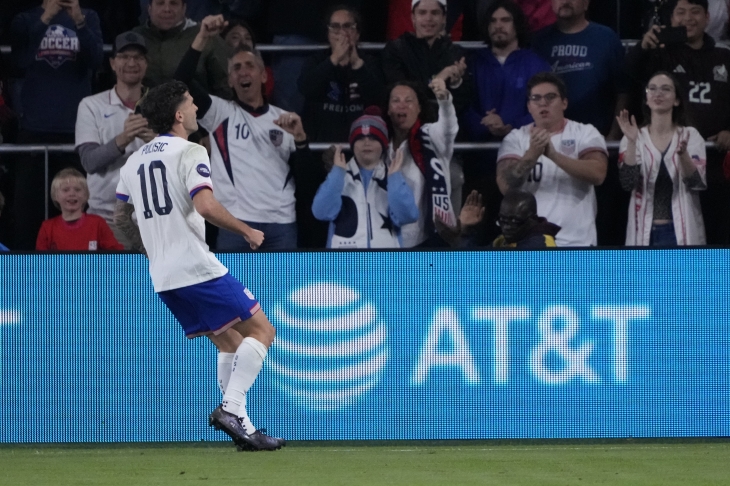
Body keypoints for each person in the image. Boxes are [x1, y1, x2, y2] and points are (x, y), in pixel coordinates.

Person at [113, 80, 284, 451]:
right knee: (263, 331)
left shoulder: (134, 161)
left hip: (163, 275)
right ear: (178, 114)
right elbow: (205, 206)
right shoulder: (189, 151)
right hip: (195, 266)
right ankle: (231, 408)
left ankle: (246, 430)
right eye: (191, 104)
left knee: (229, 342)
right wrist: (247, 230)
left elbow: (121, 215)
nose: (195, 109)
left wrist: (149, 247)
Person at [175, 15, 325, 250]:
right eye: (236, 68)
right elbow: (180, 80)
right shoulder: (219, 113)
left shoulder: (285, 120)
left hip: (281, 224)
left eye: (250, 66)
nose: (243, 72)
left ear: (264, 75)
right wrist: (203, 36)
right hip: (234, 225)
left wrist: (301, 140)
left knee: (282, 288)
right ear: (230, 80)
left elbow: (308, 183)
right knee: (233, 289)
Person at [626, 0, 730, 244]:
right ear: (670, 19)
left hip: (717, 165)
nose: (688, 18)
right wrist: (642, 47)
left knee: (719, 238)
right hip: (672, 169)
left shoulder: (725, 57)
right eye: (680, 12)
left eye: (695, 12)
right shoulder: (659, 55)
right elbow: (626, 75)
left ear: (707, 17)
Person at [10, 0, 103, 249]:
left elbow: (96, 61)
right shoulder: (25, 19)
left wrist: (79, 22)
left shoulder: (88, 16)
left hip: (76, 130)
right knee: (27, 213)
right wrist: (45, 19)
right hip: (34, 128)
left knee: (76, 209)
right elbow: (20, 61)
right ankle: (25, 275)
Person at [496, 72, 608, 247]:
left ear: (564, 102)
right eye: (536, 98)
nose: (543, 103)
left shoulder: (585, 132)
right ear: (529, 106)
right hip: (531, 244)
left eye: (550, 97)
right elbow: (504, 185)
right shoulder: (515, 138)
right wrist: (532, 155)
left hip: (577, 242)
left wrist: (554, 155)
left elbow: (598, 173)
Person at [75, 32, 156, 249]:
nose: (131, 63)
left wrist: (158, 142)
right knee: (108, 283)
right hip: (106, 219)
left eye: (138, 57)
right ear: (112, 63)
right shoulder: (91, 105)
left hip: (154, 219)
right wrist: (123, 138)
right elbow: (90, 162)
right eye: (124, 56)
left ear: (146, 64)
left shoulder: (163, 106)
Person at [616, 72, 706, 246]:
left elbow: (696, 183)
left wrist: (683, 155)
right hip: (645, 232)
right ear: (646, 98)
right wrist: (632, 143)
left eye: (666, 89)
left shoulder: (691, 136)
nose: (658, 94)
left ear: (676, 100)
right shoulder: (634, 136)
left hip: (681, 231)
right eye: (652, 89)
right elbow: (628, 183)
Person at [312, 109, 419, 248]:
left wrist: (395, 179)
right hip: (344, 265)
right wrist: (337, 174)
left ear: (383, 144)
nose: (366, 143)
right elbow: (321, 212)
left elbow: (407, 216)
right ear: (353, 144)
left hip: (385, 264)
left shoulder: (393, 177)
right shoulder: (339, 176)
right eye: (360, 138)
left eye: (373, 138)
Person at [531, 0, 628, 139]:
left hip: (596, 139)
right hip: (548, 139)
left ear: (586, 3)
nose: (565, 1)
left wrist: (613, 136)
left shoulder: (607, 38)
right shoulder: (538, 42)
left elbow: (623, 93)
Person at [463, 0, 551, 143]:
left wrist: (510, 125)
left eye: (505, 20)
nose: (498, 26)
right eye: (493, 21)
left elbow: (546, 107)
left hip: (523, 153)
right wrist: (485, 125)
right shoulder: (472, 64)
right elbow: (464, 107)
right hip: (479, 155)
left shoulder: (537, 65)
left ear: (517, 25)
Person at [386, 78, 458, 248]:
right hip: (385, 241)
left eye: (409, 101)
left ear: (419, 108)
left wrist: (445, 101)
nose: (402, 105)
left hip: (428, 239)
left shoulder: (432, 137)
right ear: (388, 109)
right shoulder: (378, 143)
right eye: (395, 101)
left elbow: (448, 129)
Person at [298, 5, 385, 143]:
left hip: (363, 144)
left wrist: (357, 64)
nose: (342, 33)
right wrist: (334, 60)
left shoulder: (371, 62)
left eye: (348, 26)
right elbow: (306, 88)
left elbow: (378, 97)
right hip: (323, 145)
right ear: (328, 34)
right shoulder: (316, 61)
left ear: (357, 33)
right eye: (335, 27)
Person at [381, 0, 471, 114]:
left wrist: (456, 83)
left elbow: (463, 102)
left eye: (435, 13)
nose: (428, 18)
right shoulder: (395, 51)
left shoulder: (456, 53)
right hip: (408, 123)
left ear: (444, 18)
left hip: (447, 123)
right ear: (413, 17)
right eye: (422, 13)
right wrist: (439, 78)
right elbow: (404, 95)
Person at [133, 0, 229, 98]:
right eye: (160, 3)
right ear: (149, 8)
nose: (167, 9)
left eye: (174, 3)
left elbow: (225, 85)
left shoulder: (206, 36)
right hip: (142, 111)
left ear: (184, 8)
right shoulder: (134, 38)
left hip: (197, 110)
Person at [437, 188, 561, 247]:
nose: (506, 227)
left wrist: (458, 241)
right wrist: (464, 232)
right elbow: (478, 259)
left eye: (514, 221)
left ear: (533, 219)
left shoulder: (540, 245)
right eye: (503, 220)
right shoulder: (505, 239)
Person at [36, 168, 123, 251]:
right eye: (66, 190)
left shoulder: (98, 223)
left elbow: (117, 257)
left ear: (86, 195)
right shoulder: (47, 228)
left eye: (77, 190)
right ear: (55, 195)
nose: (72, 194)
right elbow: (40, 263)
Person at [220, 19, 274, 98]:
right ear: (222, 42)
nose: (243, 42)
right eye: (235, 37)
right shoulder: (213, 71)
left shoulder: (264, 73)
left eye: (248, 38)